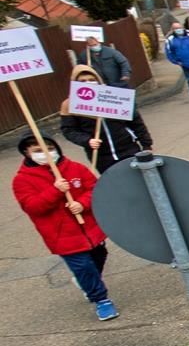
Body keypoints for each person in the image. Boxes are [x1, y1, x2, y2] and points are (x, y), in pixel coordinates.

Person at [12, 134, 120, 321]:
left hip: (90, 228)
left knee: (99, 257)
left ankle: (85, 282)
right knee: (83, 267)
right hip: (61, 235)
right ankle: (101, 299)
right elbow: (33, 207)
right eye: (38, 151)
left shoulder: (75, 168)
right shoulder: (22, 180)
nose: (46, 154)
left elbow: (94, 188)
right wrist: (55, 190)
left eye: (49, 148)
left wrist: (82, 203)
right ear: (26, 153)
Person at [59, 65, 153, 173]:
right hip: (101, 156)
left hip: (128, 149)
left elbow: (136, 122)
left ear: (98, 80)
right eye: (82, 81)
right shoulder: (69, 104)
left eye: (92, 80)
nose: (88, 83)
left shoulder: (113, 97)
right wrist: (87, 140)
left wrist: (146, 145)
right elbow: (69, 130)